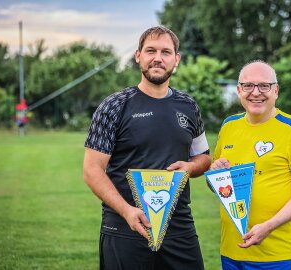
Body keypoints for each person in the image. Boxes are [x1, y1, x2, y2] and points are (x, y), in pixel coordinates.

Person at [83, 26, 211, 270]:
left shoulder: (188, 106)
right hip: (125, 226)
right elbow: (92, 170)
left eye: (165, 52)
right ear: (138, 55)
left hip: (179, 227)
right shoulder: (114, 106)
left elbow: (204, 158)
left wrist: (191, 167)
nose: (157, 58)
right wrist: (127, 211)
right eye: (150, 50)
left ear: (176, 59)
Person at [210, 60, 291, 270]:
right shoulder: (229, 126)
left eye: (264, 86)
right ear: (239, 90)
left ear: (276, 90)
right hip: (231, 251)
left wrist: (268, 227)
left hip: (275, 255)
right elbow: (217, 185)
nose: (256, 92)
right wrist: (216, 173)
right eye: (249, 86)